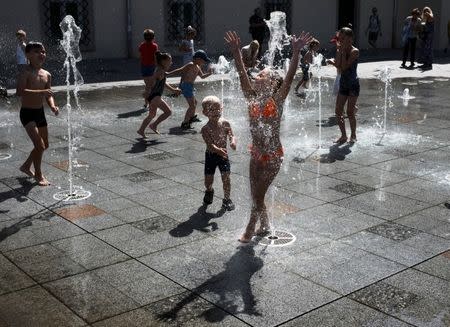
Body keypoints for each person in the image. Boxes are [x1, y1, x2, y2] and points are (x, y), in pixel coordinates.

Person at [225, 30, 312, 243]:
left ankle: (249, 229)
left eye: (262, 75)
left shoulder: (277, 100)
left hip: (273, 156)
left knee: (258, 196)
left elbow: (290, 77)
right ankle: (264, 224)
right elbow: (242, 73)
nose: (256, 76)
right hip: (256, 154)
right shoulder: (251, 98)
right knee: (256, 193)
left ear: (272, 83)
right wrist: (236, 52)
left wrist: (297, 52)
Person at [16, 42, 59, 186]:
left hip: (40, 112)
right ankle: (39, 175)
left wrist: (52, 106)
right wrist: (42, 92)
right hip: (27, 113)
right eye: (37, 52)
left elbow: (49, 94)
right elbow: (20, 91)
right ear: (28, 55)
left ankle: (26, 166)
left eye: (43, 52)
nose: (41, 54)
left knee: (44, 145)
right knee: (39, 145)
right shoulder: (25, 73)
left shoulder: (47, 74)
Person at [201, 95, 236, 211]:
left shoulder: (225, 123)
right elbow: (209, 145)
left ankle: (227, 199)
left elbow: (232, 135)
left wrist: (232, 142)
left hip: (223, 156)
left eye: (218, 109)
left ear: (222, 109)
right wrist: (218, 150)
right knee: (208, 180)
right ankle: (209, 190)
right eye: (211, 109)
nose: (216, 112)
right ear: (205, 113)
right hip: (211, 156)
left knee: (226, 178)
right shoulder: (205, 129)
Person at [137, 52, 181, 138]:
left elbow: (163, 82)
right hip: (155, 96)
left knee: (152, 114)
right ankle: (151, 126)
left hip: (154, 96)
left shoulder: (161, 70)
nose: (171, 63)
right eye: (170, 61)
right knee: (168, 112)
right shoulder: (160, 71)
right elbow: (151, 81)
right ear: (163, 62)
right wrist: (147, 91)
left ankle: (143, 129)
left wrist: (173, 89)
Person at [167, 50, 213, 130]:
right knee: (192, 105)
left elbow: (202, 76)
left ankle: (191, 117)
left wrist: (209, 73)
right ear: (198, 59)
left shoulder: (198, 67)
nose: (204, 62)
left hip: (190, 86)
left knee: (195, 102)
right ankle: (185, 122)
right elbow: (180, 70)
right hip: (186, 86)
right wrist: (168, 73)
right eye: (203, 60)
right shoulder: (190, 65)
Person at [334, 27, 359, 144]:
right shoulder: (340, 49)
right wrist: (339, 51)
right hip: (343, 83)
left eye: (343, 38)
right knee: (338, 110)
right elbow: (338, 65)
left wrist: (343, 52)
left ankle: (353, 134)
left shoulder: (355, 51)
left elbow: (344, 67)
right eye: (340, 38)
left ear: (350, 39)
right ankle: (343, 135)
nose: (341, 40)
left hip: (353, 84)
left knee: (349, 112)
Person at [138, 29, 158, 109]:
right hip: (152, 67)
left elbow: (140, 56)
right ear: (153, 37)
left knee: (147, 85)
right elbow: (155, 57)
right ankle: (151, 103)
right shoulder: (154, 46)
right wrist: (158, 66)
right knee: (152, 87)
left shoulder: (142, 45)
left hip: (144, 67)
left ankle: (146, 103)